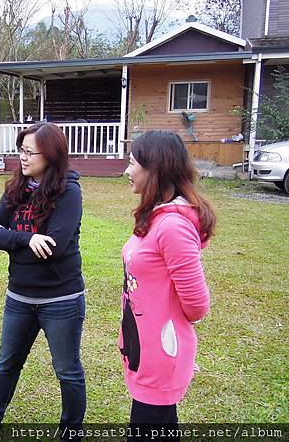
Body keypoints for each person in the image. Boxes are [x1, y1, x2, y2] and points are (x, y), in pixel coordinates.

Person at [0, 122, 86, 442]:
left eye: (30, 151)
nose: (23, 157)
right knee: (7, 363)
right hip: (19, 296)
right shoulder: (15, 190)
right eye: (21, 150)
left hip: (60, 299)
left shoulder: (69, 191)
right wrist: (26, 239)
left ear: (51, 154)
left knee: (67, 370)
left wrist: (18, 242)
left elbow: (54, 247)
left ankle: (71, 431)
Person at [120, 130, 215, 438]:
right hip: (145, 349)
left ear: (155, 169)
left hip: (161, 354)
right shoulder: (157, 217)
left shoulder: (172, 225)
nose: (127, 171)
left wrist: (173, 346)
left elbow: (197, 304)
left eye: (133, 163)